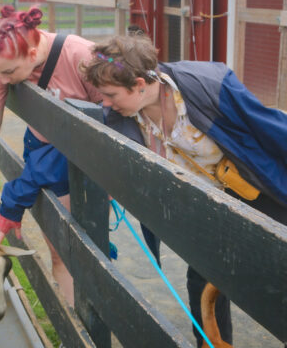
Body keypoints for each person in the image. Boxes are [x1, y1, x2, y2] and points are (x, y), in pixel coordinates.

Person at [80, 33, 287, 347]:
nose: (104, 103)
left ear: (139, 84)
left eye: (110, 94)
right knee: (203, 278)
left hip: (253, 189)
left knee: (278, 267)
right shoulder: (119, 120)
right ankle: (212, 344)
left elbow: (269, 128)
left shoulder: (211, 85)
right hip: (204, 207)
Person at [0, 5, 102, 306]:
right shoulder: (1, 68)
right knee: (58, 251)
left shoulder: (82, 56)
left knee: (82, 250)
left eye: (8, 72)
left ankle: (91, 321)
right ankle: (75, 326)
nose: (1, 80)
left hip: (80, 167)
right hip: (43, 159)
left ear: (30, 54)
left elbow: (113, 119)